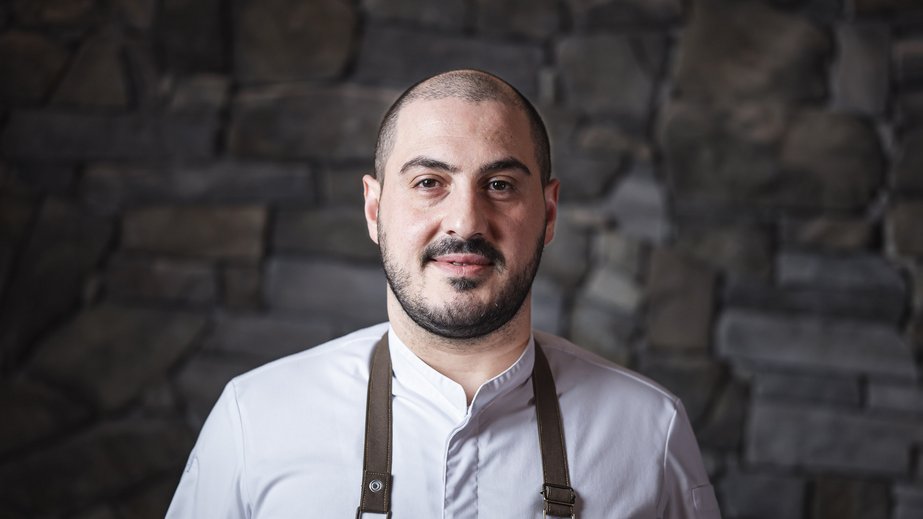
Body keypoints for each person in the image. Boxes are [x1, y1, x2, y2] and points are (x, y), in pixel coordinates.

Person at [166, 69, 721, 518]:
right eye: (430, 182)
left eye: (500, 185)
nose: (465, 221)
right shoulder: (256, 418)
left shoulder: (650, 434)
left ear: (548, 214)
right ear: (374, 209)